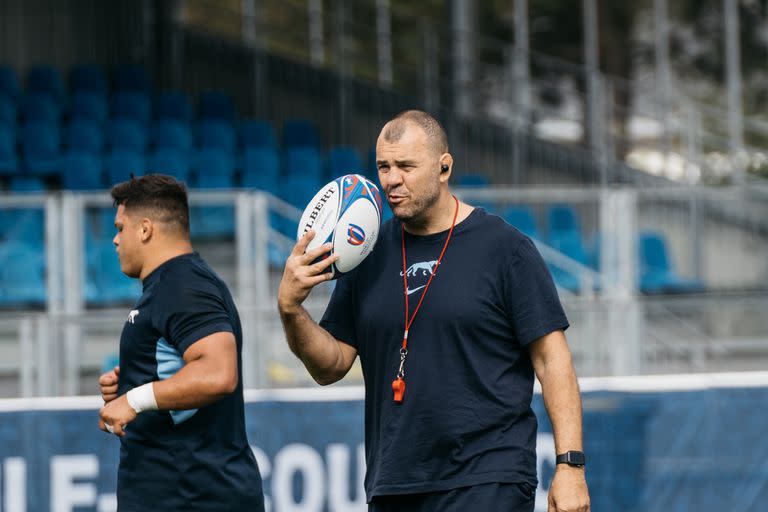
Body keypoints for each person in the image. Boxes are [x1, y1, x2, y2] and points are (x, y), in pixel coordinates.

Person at [278, 110, 590, 512]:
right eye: (383, 167)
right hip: (394, 481)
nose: (391, 180)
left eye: (406, 166)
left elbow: (553, 361)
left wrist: (570, 466)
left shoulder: (505, 249)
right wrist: (291, 309)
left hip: (487, 476)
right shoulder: (366, 252)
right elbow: (331, 364)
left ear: (444, 168)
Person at [98, 174, 264, 511]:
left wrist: (135, 397)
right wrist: (134, 378)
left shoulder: (183, 285)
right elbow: (183, 368)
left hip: (193, 496)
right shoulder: (172, 285)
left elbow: (218, 373)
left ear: (145, 229)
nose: (116, 240)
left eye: (120, 228)